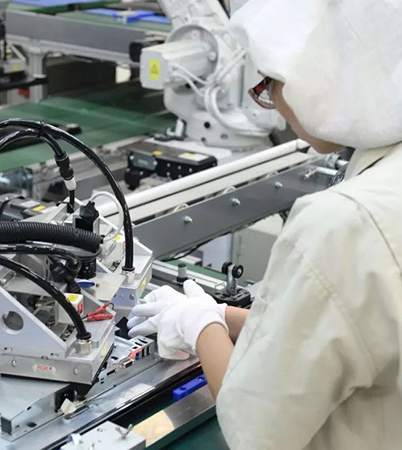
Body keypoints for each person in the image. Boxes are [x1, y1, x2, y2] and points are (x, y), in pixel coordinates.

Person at [127, 1, 402, 449]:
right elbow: (362, 327)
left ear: (317, 76)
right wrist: (226, 316)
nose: (270, 101)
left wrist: (199, 326)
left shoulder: (342, 223)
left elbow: (255, 429)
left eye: (268, 84)